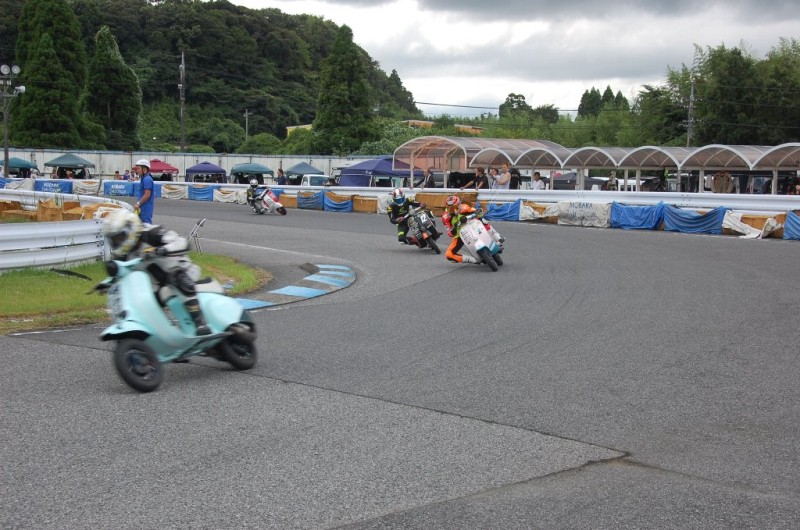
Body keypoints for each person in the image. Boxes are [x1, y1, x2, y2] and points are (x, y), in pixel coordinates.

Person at [102, 209, 210, 335]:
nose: (117, 242)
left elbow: (182, 242)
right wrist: (107, 283)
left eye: (119, 237)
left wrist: (163, 250)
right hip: (157, 285)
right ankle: (163, 332)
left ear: (131, 229)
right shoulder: (124, 254)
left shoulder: (152, 233)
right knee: (143, 302)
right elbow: (120, 270)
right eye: (114, 240)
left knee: (178, 277)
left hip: (183, 270)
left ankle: (200, 322)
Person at [441, 195, 503, 264]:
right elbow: (449, 232)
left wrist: (479, 212)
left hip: (473, 226)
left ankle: (498, 239)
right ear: (447, 206)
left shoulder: (464, 207)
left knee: (483, 220)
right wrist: (453, 230)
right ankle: (473, 260)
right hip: (460, 235)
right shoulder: (445, 217)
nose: (454, 209)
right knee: (448, 254)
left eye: (456, 206)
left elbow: (477, 212)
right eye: (451, 207)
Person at [133, 158, 155, 223]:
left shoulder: (147, 179)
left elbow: (147, 195)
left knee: (146, 227)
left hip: (145, 209)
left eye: (138, 168)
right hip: (142, 208)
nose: (137, 170)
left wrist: (138, 203)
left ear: (144, 169)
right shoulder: (144, 178)